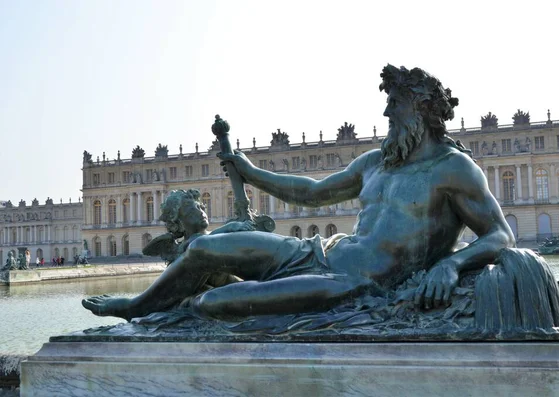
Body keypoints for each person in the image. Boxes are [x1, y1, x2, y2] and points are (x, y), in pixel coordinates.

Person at [83, 65, 515, 322]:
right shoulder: (377, 162)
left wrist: (454, 265)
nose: (385, 112)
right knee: (202, 248)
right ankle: (135, 308)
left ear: (420, 109)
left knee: (214, 303)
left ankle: (208, 297)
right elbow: (311, 193)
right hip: (317, 252)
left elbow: (499, 235)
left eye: (395, 104)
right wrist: (250, 172)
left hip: (355, 283)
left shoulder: (454, 169)